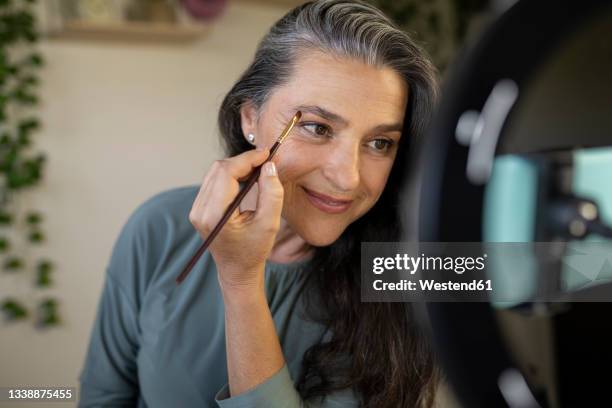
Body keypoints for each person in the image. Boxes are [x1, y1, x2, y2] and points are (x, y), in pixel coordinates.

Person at [78, 1, 439, 407]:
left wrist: (241, 284)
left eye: (379, 143)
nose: (348, 177)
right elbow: (103, 397)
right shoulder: (158, 227)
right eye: (317, 128)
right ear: (250, 119)